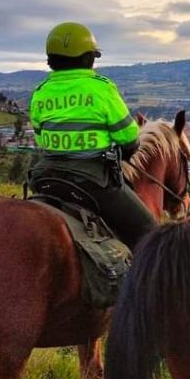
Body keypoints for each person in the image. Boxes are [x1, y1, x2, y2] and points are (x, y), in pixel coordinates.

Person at [27, 21, 157, 249]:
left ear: (50, 61)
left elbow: (40, 139)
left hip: (45, 177)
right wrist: (126, 151)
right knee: (152, 236)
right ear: (89, 59)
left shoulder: (40, 92)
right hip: (93, 181)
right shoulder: (102, 88)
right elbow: (129, 137)